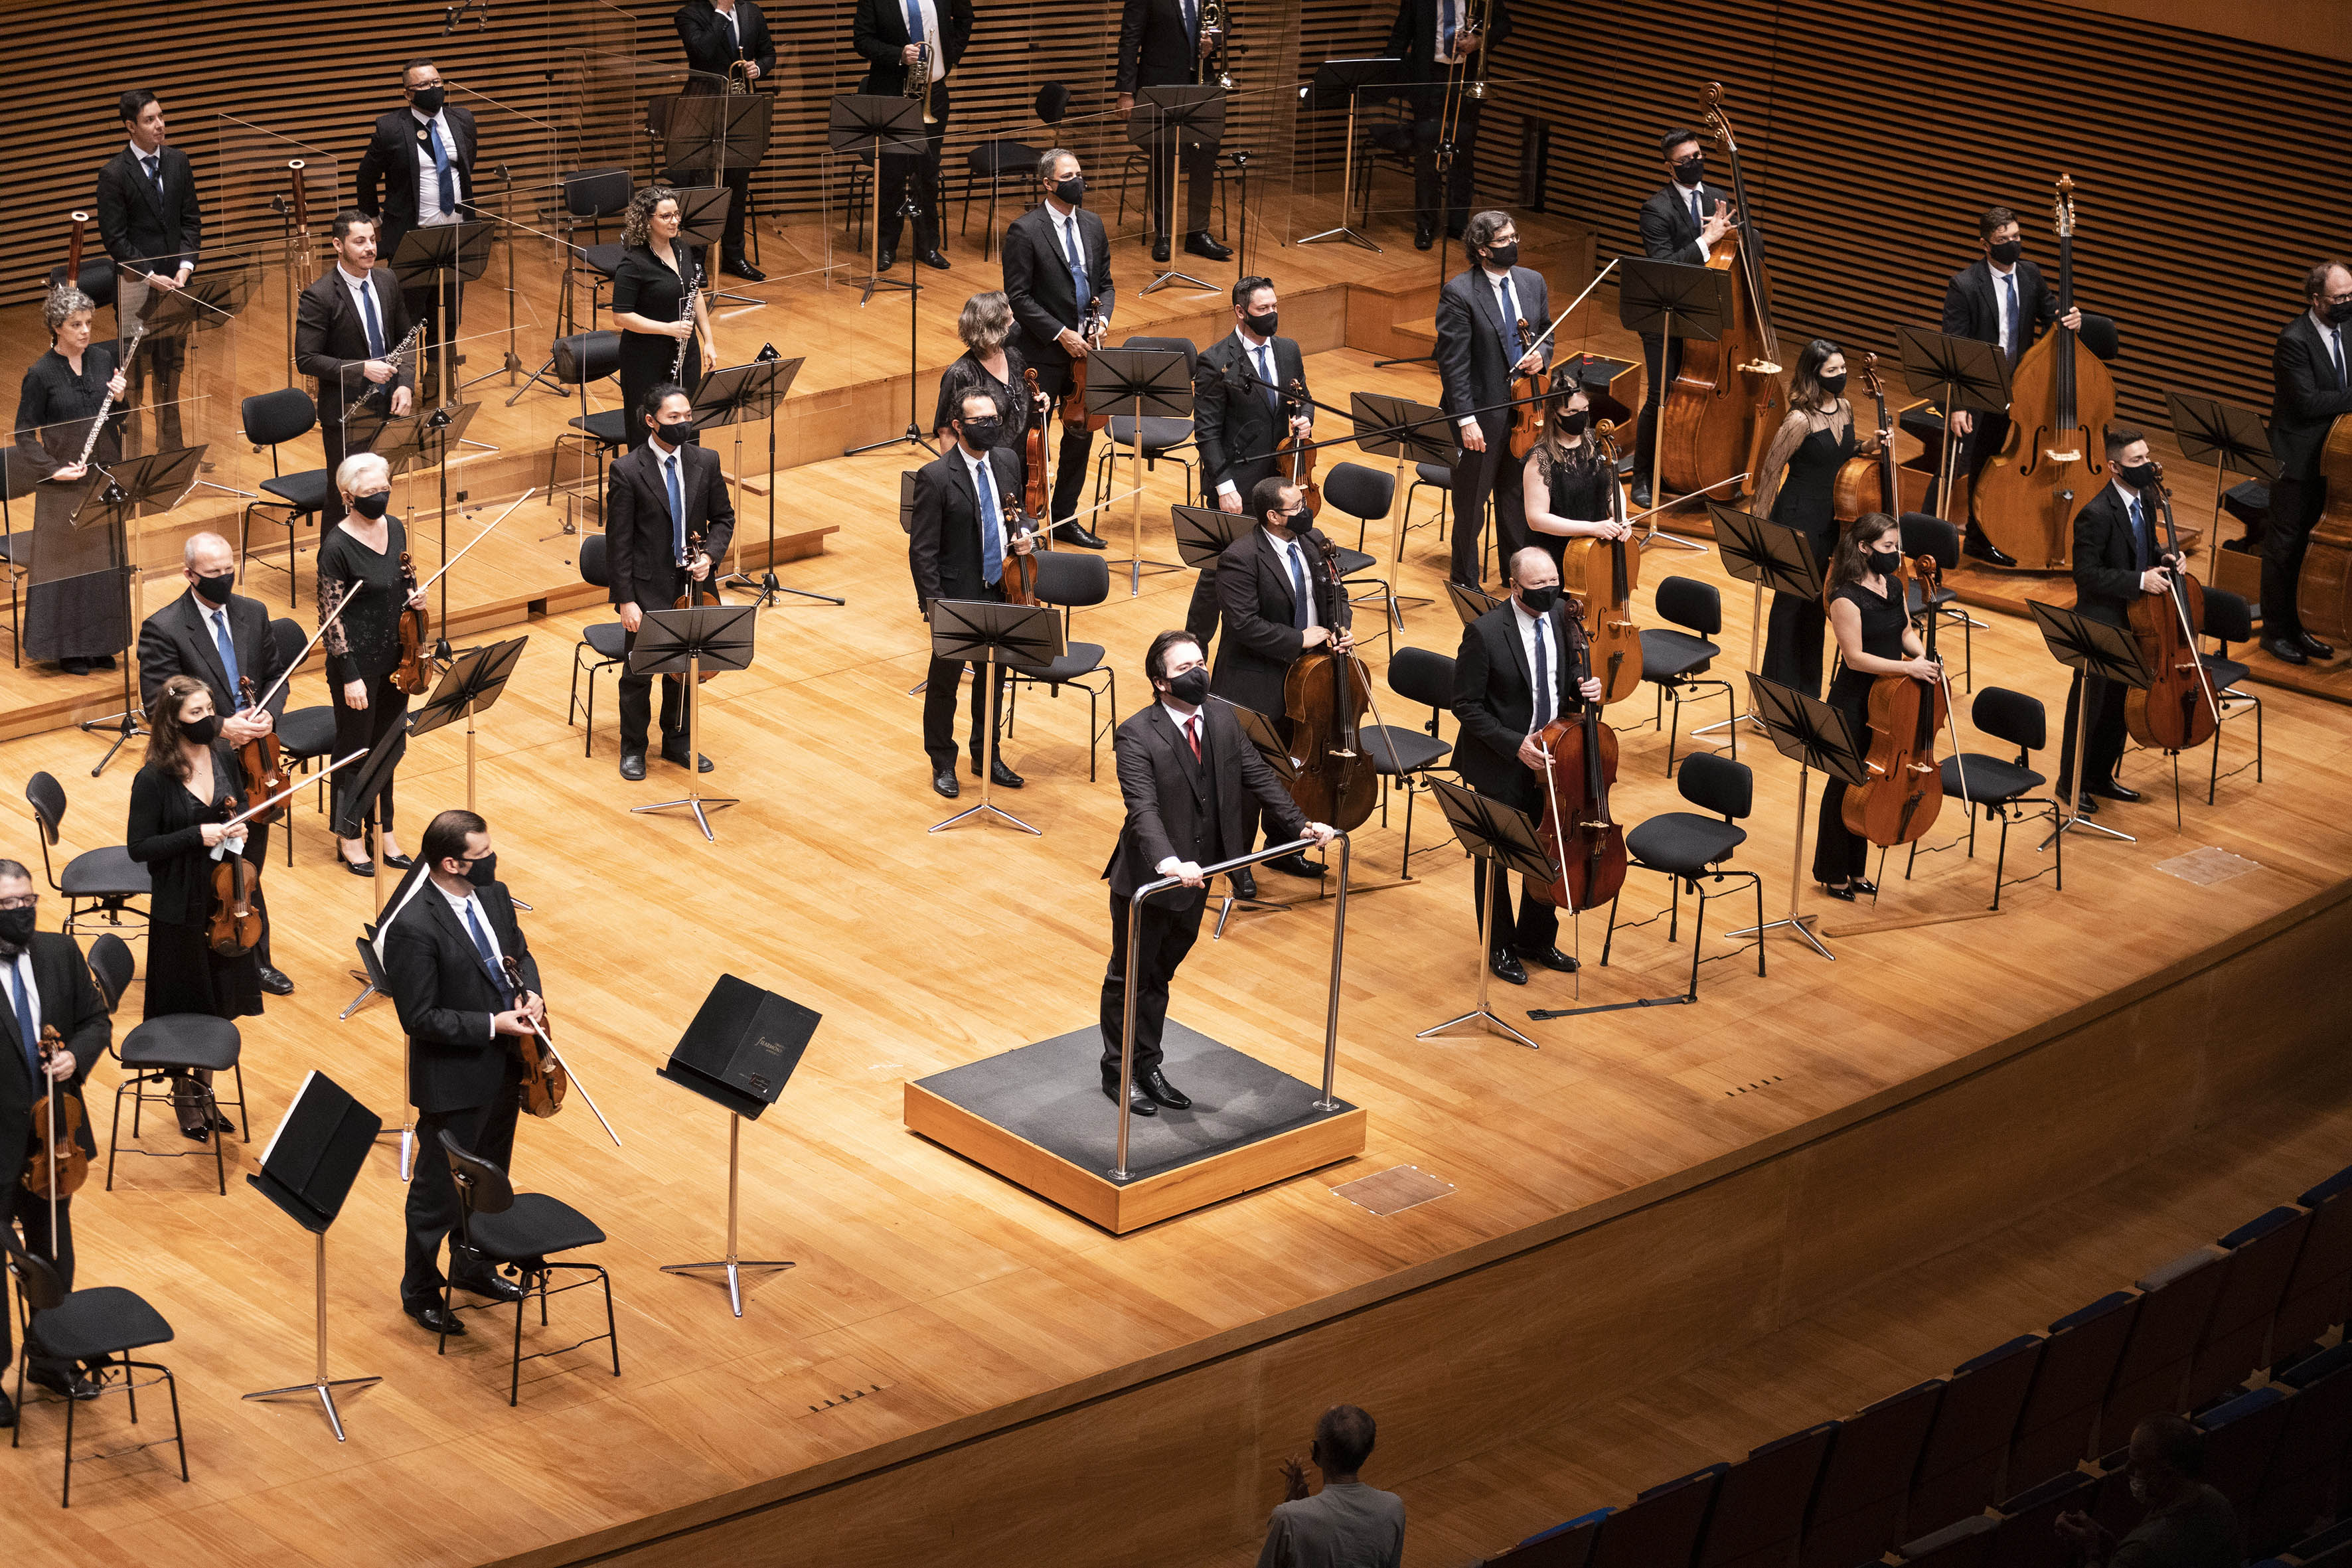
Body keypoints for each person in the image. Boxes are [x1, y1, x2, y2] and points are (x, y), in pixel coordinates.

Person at [1103, 631, 1335, 1113]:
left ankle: (1146, 1064)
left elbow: (1257, 776)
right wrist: (1168, 862)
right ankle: (1117, 1070)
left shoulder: (1223, 719)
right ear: (1160, 682)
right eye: (1184, 668)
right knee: (1131, 978)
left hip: (1201, 874)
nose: (1199, 673)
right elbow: (1142, 809)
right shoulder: (1136, 734)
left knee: (1160, 976)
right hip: (1152, 878)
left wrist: (1299, 824)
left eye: (1200, 662)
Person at [383, 809, 539, 1336]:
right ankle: (421, 1291)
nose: (491, 861)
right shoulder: (414, 927)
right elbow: (419, 1017)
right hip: (454, 1078)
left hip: (505, 1066)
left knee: (491, 1175)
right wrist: (491, 1023)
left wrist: (532, 993)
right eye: (481, 856)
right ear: (451, 863)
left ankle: (473, 1267)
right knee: (438, 1194)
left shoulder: (493, 897)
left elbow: (519, 953)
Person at [137, 532, 295, 994]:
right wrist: (223, 726)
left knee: (249, 865)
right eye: (213, 574)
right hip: (198, 766)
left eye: (230, 570)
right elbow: (157, 705)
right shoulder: (163, 628)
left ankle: (254, 957)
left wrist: (268, 712)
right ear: (189, 575)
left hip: (255, 764)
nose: (225, 580)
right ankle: (202, 959)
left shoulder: (253, 613)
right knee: (207, 871)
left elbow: (274, 676)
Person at [1450, 547, 1602, 983]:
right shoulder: (1483, 634)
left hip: (1555, 756)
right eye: (1538, 585)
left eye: (1552, 581)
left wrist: (1584, 684)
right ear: (1515, 587)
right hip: (1503, 760)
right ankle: (1497, 946)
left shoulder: (1561, 617)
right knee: (1496, 857)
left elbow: (1568, 671)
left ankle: (1535, 939)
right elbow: (1466, 706)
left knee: (1549, 847)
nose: (1549, 590)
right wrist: (1514, 744)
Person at [125, 674, 265, 1138]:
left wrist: (239, 824)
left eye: (210, 709)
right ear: (173, 721)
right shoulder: (153, 778)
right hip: (181, 904)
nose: (209, 719)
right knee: (188, 998)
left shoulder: (223, 754)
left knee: (219, 998)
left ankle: (205, 1089)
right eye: (197, 714)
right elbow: (140, 847)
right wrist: (195, 835)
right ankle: (185, 1096)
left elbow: (239, 803)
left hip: (228, 896)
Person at [0, 860, 110, 1419]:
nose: (23, 913)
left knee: (53, 1254)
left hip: (52, 1141)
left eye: (28, 901)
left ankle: (49, 1355)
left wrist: (76, 1057)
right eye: (9, 906)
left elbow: (96, 1021)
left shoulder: (59, 954)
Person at [1212, 477, 1352, 895]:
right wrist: (1298, 639)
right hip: (1256, 681)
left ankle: (1284, 845)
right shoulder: (1240, 558)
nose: (1307, 508)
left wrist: (1340, 627)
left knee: (1294, 770)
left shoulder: (1312, 542)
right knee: (1251, 780)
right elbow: (1243, 625)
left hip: (1309, 678)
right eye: (1297, 505)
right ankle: (1238, 863)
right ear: (1273, 516)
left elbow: (1336, 594)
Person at [1936, 204, 2082, 566]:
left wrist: (2073, 321)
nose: (2012, 244)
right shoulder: (1966, 284)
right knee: (1980, 461)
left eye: (2016, 237)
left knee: (2010, 460)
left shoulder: (2030, 274)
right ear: (1985, 244)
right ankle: (1975, 537)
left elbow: (2052, 320)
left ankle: (2007, 525)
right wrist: (1956, 404)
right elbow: (1954, 346)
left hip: (2020, 385)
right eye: (2004, 240)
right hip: (1980, 386)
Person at [909, 388, 1036, 798]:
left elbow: (1017, 515)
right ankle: (943, 761)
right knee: (945, 681)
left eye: (994, 418)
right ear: (959, 427)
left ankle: (987, 754)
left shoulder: (1006, 460)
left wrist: (1025, 535)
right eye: (981, 420)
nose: (991, 426)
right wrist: (935, 606)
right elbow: (922, 550)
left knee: (994, 676)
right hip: (956, 595)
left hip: (1002, 587)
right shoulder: (935, 476)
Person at [605, 384, 735, 781]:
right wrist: (626, 601)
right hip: (647, 588)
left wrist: (710, 556)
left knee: (686, 668)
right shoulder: (627, 470)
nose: (683, 424)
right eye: (673, 418)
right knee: (639, 672)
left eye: (687, 416)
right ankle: (634, 748)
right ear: (651, 421)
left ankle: (678, 742)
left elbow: (724, 519)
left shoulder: (705, 461)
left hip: (693, 586)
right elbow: (619, 543)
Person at [1810, 514, 1938, 900]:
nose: (1896, 555)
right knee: (1845, 783)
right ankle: (1832, 872)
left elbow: (1904, 632)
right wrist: (1908, 666)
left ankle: (1856, 870)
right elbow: (1855, 659)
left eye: (1897, 547)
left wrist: (1926, 657)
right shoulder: (1844, 598)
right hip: (1853, 700)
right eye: (1888, 547)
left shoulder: (1894, 585)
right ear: (1864, 548)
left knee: (1873, 783)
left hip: (1889, 701)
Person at [316, 453, 428, 874]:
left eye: (385, 490)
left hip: (399, 658)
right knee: (355, 752)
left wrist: (415, 595)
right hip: (358, 667)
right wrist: (350, 676)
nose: (380, 498)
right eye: (371, 493)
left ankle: (383, 829)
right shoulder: (337, 547)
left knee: (389, 749)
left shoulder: (395, 527)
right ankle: (347, 833)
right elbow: (330, 617)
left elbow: (403, 577)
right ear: (348, 497)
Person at [11, 285, 130, 676]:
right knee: (70, 566)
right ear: (57, 328)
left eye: (88, 323)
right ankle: (70, 648)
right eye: (75, 325)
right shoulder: (40, 374)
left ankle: (102, 643)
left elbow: (119, 419)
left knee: (104, 562)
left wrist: (121, 397)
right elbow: (24, 436)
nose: (85, 331)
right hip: (63, 483)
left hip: (103, 473)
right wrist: (52, 470)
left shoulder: (101, 359)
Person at [2057, 428, 2176, 811]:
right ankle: (2070, 782)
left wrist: (2164, 560)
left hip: (2137, 618)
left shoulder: (2147, 502)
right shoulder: (2094, 514)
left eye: (2147, 456)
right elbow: (2087, 575)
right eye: (2137, 461)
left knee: (2120, 706)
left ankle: (2100, 775)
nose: (2147, 465)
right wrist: (2141, 579)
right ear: (2114, 467)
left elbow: (2144, 549)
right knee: (2090, 705)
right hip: (2101, 622)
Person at [1189, 276, 1312, 648]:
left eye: (1275, 306)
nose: (1272, 314)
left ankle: (1269, 641)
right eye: (1263, 309)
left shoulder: (1288, 350)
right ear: (1241, 312)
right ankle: (1194, 646)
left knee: (1276, 566)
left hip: (1281, 479)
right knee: (1219, 572)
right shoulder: (1216, 362)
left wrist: (1305, 417)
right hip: (1238, 484)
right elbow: (1207, 433)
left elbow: (1303, 397)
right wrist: (1225, 488)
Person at [1002, 149, 1113, 548]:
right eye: (1069, 176)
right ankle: (1025, 524)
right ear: (1048, 183)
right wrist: (1062, 333)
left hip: (1088, 351)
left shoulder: (1094, 225)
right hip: (1043, 353)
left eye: (1080, 174)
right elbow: (1019, 297)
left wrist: (1102, 319)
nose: (1078, 181)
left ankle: (1066, 517)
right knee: (1033, 439)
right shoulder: (1025, 230)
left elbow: (1105, 284)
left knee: (1081, 435)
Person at [1435, 210, 1551, 588]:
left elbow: (1546, 333)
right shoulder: (1460, 293)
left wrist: (1542, 355)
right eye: (1504, 241)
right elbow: (1453, 365)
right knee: (1471, 505)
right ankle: (1465, 581)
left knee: (1515, 498)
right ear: (1483, 250)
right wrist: (1465, 420)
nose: (1513, 245)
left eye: (1515, 237)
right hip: (1481, 414)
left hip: (1525, 411)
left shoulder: (1533, 282)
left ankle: (1515, 577)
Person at [353, 57, 477, 401]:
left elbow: (466, 167)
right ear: (407, 93)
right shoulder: (390, 128)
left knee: (448, 316)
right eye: (423, 86)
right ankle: (402, 386)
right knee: (408, 318)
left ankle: (438, 383)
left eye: (436, 82)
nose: (432, 90)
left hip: (454, 236)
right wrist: (374, 221)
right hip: (411, 237)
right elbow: (365, 178)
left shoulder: (462, 120)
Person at [1631, 127, 1736, 507]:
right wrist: (1705, 241)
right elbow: (1663, 267)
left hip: (1704, 312)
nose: (1695, 163)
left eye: (1697, 155)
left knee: (1701, 395)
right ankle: (1643, 475)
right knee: (1661, 395)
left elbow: (1736, 252)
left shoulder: (1718, 198)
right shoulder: (1656, 210)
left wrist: (1735, 235)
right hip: (1664, 313)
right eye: (1685, 160)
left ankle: (1691, 467)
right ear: (1668, 167)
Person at [293, 210, 417, 527]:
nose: (370, 248)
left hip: (388, 405)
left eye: (372, 240)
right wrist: (361, 368)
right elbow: (306, 358)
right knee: (344, 497)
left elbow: (407, 338)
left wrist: (405, 383)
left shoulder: (387, 280)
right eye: (359, 241)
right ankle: (332, 573)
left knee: (379, 492)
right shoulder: (319, 296)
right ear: (338, 244)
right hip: (348, 413)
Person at [1751, 339, 1859, 698]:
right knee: (1789, 608)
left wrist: (1869, 446)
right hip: (1796, 520)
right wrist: (1759, 530)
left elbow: (1839, 454)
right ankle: (1776, 697)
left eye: (1843, 369)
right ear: (1814, 375)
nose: (1841, 376)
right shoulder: (1800, 419)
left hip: (1831, 522)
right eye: (1832, 371)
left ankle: (1807, 695)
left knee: (1816, 607)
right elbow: (1770, 471)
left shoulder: (1845, 408)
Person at [95, 90, 202, 454]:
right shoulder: (113, 174)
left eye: (160, 116)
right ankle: (135, 463)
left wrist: (185, 269)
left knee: (171, 379)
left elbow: (190, 221)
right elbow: (116, 239)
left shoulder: (178, 162)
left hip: (177, 290)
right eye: (149, 120)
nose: (160, 125)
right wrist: (151, 274)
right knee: (136, 383)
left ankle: (171, 461)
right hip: (136, 291)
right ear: (130, 126)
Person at [2260, 260, 2352, 666]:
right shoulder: (2293, 340)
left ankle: (2301, 626)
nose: (2347, 303)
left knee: (2311, 548)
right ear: (2316, 300)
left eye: (2351, 295)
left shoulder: (2348, 329)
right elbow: (2308, 402)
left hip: (2336, 459)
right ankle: (2275, 634)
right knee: (2285, 547)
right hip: (2296, 460)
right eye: (2340, 298)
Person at [853, 0, 974, 272]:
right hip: (893, 92)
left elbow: (965, 19)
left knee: (928, 172)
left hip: (935, 93)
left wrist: (950, 54)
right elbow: (861, 40)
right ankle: (886, 248)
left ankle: (928, 246)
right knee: (892, 173)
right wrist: (898, 54)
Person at [1382, 0, 1513, 250]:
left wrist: (1479, 41)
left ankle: (1458, 224)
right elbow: (1401, 35)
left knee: (1463, 156)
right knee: (1426, 157)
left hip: (1466, 80)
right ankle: (1426, 225)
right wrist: (1387, 74)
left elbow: (1504, 25)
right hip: (1429, 80)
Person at [1115, 0, 1233, 266]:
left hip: (1202, 83)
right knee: (1165, 158)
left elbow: (1224, 20)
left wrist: (1213, 40)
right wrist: (1125, 92)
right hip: (1160, 85)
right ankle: (1164, 235)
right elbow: (1129, 40)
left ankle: (1198, 234)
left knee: (1205, 156)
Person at [673, 0, 777, 281]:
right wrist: (720, 12)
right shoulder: (689, 14)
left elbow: (769, 54)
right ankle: (696, 261)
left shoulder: (752, 11)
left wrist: (760, 68)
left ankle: (735, 256)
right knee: (703, 188)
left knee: (737, 187)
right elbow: (702, 52)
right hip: (703, 108)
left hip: (742, 108)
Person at [2055, 1415, 2240, 1568]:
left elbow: (2148, 1553)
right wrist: (2115, 1548)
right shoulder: (2217, 1502)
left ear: (2167, 1474)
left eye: (2137, 1465)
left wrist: (2091, 1553)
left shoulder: (2142, 1550)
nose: (2127, 1470)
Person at [612, 186, 718, 452]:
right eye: (666, 216)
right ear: (647, 221)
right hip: (645, 358)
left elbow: (696, 295)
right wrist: (667, 328)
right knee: (647, 427)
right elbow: (621, 317)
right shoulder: (634, 263)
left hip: (686, 352)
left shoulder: (683, 248)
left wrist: (708, 340)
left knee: (686, 421)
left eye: (677, 214)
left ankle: (685, 482)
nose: (675, 221)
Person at [1259, 1405, 1406, 1568]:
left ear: (1316, 1452)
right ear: (1368, 1450)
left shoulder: (1286, 1518)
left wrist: (1295, 1510)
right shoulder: (1393, 1508)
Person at [931, 291, 1048, 481]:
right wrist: (957, 483)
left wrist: (1042, 401)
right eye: (1010, 319)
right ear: (994, 327)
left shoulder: (1014, 356)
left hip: (1023, 464)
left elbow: (1025, 401)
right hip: (985, 470)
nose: (1015, 324)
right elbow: (947, 433)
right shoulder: (960, 374)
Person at [1520, 380, 1632, 577]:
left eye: (1585, 409)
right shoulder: (1541, 457)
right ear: (1554, 414)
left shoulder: (1596, 442)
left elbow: (1613, 486)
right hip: (1556, 556)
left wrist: (1621, 518)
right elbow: (1536, 519)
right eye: (1572, 412)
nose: (1581, 416)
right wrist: (1592, 528)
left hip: (1596, 548)